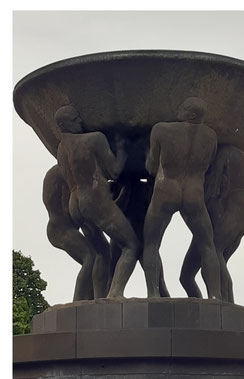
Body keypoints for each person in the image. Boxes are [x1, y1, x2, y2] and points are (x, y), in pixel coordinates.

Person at [54, 105, 140, 298]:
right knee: (131, 245)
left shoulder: (61, 148)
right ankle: (115, 294)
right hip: (94, 200)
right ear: (64, 123)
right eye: (75, 119)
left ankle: (94, 299)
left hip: (75, 204)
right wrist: (122, 149)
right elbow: (115, 172)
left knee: (101, 253)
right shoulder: (94, 139)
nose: (80, 122)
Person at [142, 97, 222, 299]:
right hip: (194, 193)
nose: (179, 109)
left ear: (191, 114)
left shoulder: (161, 129)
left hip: (166, 190)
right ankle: (215, 296)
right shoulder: (211, 137)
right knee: (207, 244)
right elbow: (207, 165)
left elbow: (151, 167)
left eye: (183, 107)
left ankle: (153, 294)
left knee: (151, 243)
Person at [180, 145, 244, 302]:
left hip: (234, 212)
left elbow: (213, 188)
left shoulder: (225, 154)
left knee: (214, 252)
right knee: (188, 275)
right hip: (242, 214)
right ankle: (209, 307)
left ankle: (223, 302)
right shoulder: (243, 158)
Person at [43, 165, 111, 300]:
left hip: (73, 225)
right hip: (60, 229)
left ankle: (98, 298)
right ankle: (78, 300)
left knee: (104, 254)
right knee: (90, 257)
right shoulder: (59, 175)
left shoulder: (68, 173)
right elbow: (67, 209)